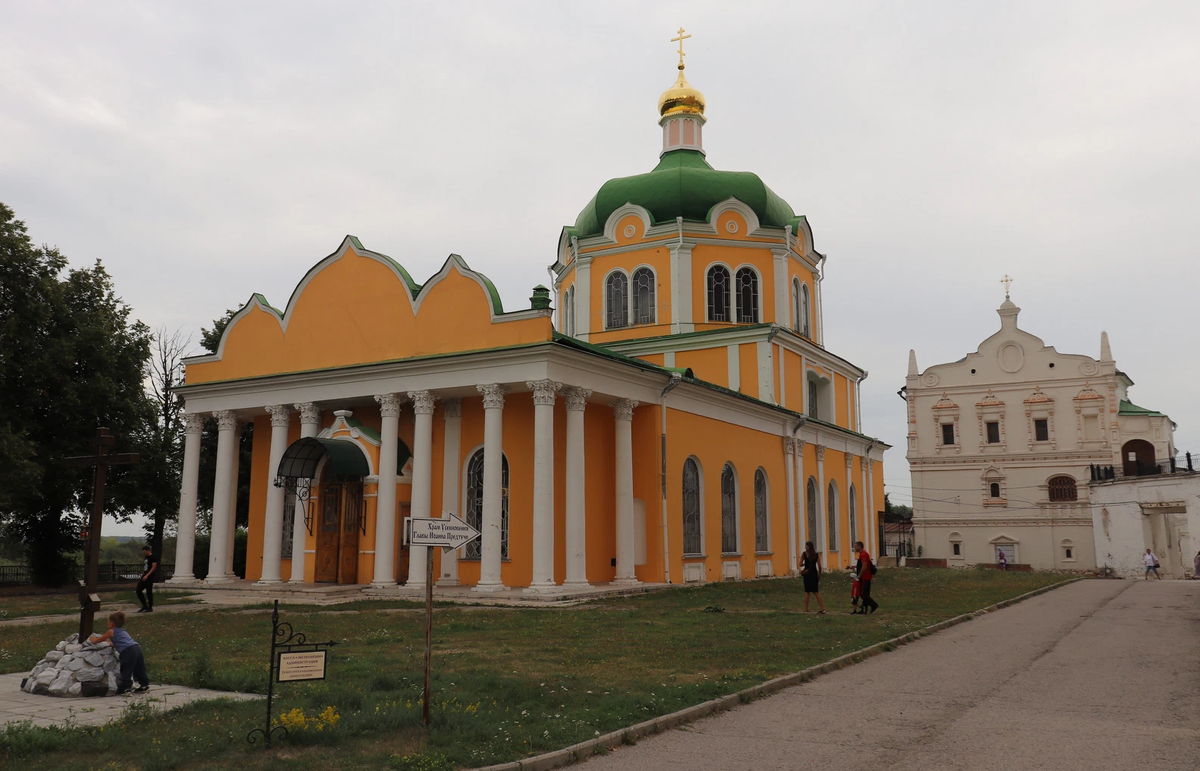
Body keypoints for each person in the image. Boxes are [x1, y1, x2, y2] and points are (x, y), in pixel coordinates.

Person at [88, 611, 150, 694]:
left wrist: (93, 639)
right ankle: (144, 685)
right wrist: (110, 644)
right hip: (137, 648)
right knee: (139, 668)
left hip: (128, 652)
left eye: (108, 621)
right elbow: (120, 642)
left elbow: (99, 640)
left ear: (112, 623)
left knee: (126, 669)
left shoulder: (111, 631)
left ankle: (126, 688)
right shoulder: (123, 631)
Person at [800, 541, 825, 614]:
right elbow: (820, 566)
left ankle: (806, 609)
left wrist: (805, 563)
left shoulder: (804, 554)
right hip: (814, 574)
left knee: (807, 592)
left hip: (807, 574)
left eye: (806, 546)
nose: (805, 547)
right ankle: (823, 608)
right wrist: (819, 575)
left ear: (809, 547)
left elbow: (800, 564)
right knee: (816, 592)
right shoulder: (816, 555)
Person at [855, 541, 879, 614]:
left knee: (863, 593)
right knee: (865, 594)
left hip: (865, 577)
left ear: (859, 546)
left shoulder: (863, 555)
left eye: (855, 546)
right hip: (865, 577)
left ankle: (874, 605)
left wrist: (859, 576)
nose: (855, 547)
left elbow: (864, 566)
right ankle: (864, 610)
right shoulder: (862, 554)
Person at [137, 544, 158, 613]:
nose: (143, 553)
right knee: (138, 590)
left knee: (149, 591)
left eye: (144, 552)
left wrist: (147, 575)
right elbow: (146, 566)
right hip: (145, 575)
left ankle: (150, 606)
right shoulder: (146, 557)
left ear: (148, 550)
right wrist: (143, 574)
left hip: (150, 576)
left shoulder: (153, 557)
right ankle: (144, 605)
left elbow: (153, 567)